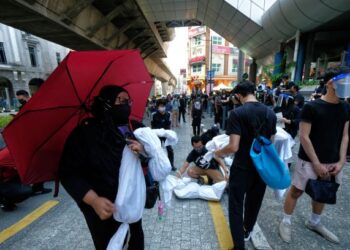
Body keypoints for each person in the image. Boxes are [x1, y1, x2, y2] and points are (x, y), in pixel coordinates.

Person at [59, 85, 146, 250]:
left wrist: (143, 150)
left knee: (135, 242)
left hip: (131, 204)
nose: (126, 106)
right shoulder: (84, 134)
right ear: (106, 104)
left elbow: (152, 157)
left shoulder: (134, 127)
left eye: (129, 101)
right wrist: (93, 200)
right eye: (121, 101)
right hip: (103, 210)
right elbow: (69, 173)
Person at [278, 67, 350, 244]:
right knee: (296, 191)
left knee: (323, 192)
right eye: (345, 81)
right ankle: (285, 221)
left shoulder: (346, 107)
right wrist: (316, 163)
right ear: (330, 83)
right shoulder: (312, 106)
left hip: (333, 160)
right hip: (309, 160)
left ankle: (314, 222)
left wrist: (341, 161)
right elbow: (304, 136)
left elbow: (346, 136)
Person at [214, 80, 277, 250]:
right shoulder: (270, 113)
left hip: (242, 167)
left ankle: (239, 246)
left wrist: (218, 153)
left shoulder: (237, 113)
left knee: (236, 205)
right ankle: (247, 230)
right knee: (254, 202)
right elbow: (271, 142)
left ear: (238, 95)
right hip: (261, 168)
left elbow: (233, 146)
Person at [16, 89, 52, 196]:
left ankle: (39, 185)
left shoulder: (34, 105)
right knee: (36, 163)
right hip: (30, 138)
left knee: (39, 162)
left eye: (21, 99)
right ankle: (38, 187)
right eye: (19, 100)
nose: (20, 102)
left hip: (37, 137)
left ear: (26, 96)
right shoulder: (23, 107)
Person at [151, 100, 176, 171]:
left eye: (163, 106)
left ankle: (171, 165)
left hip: (165, 135)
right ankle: (157, 166)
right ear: (158, 107)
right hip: (157, 135)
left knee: (170, 150)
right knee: (156, 151)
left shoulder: (168, 114)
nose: (162, 107)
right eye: (161, 106)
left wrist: (169, 134)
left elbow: (169, 125)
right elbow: (152, 126)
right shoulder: (154, 115)